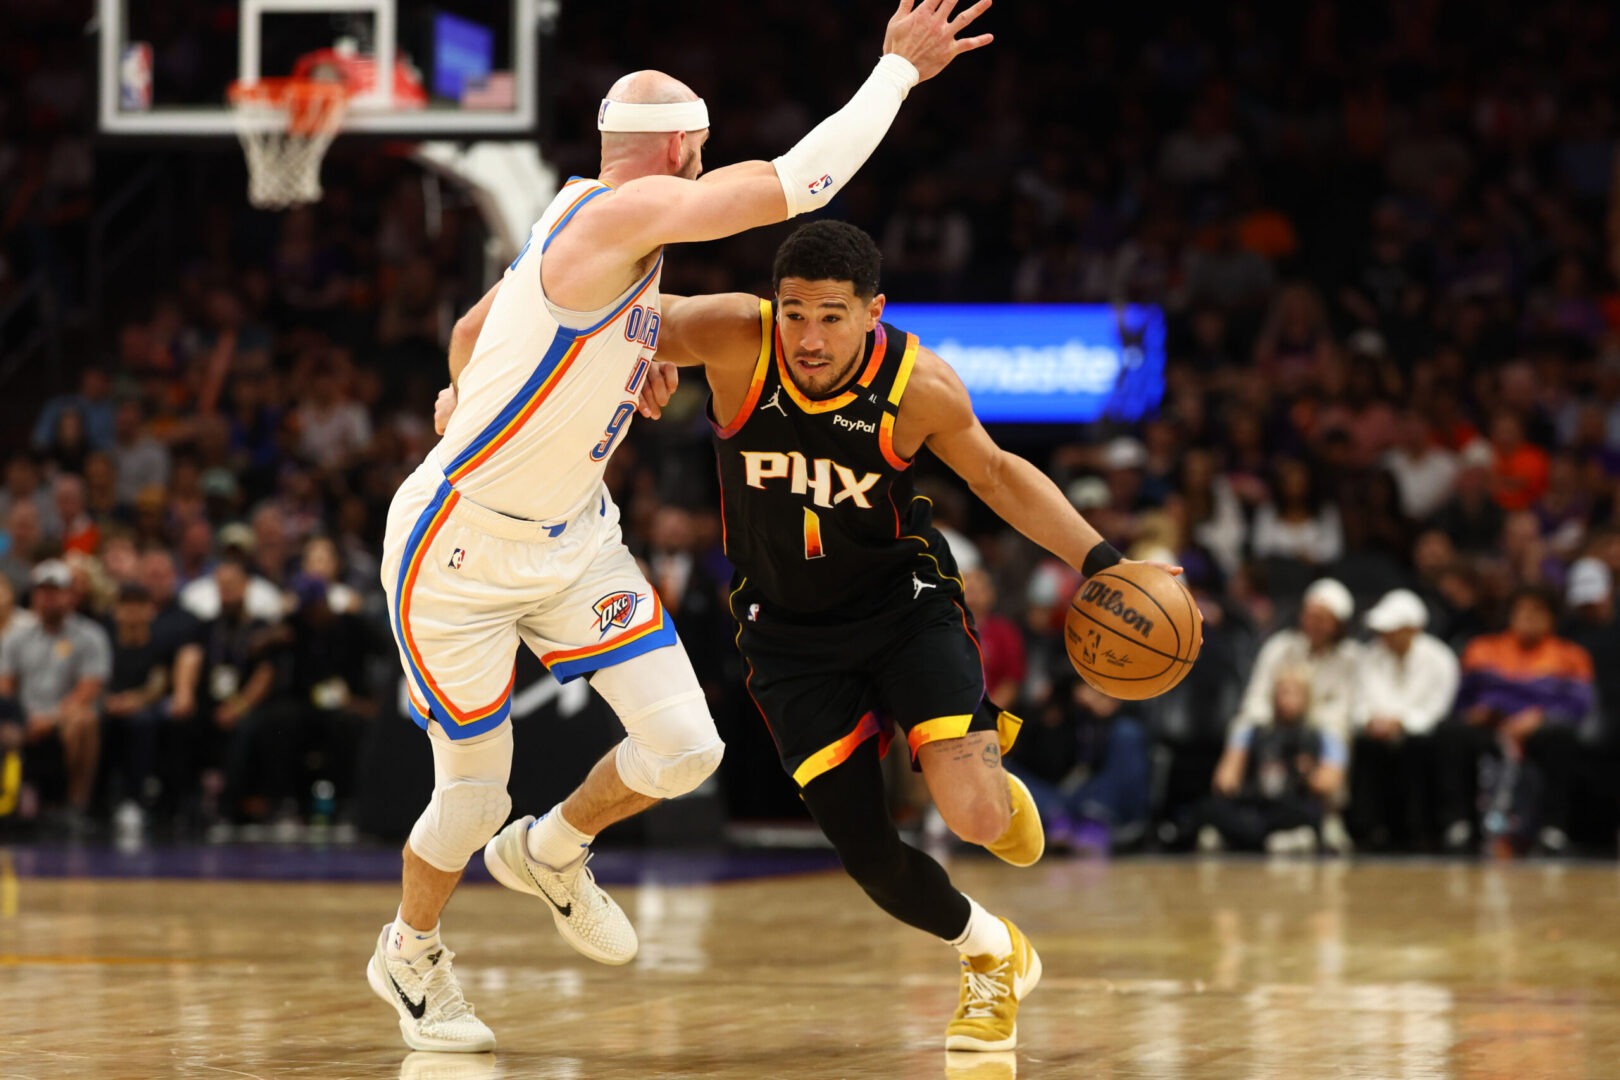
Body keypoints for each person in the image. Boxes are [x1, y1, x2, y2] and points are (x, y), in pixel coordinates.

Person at [379, 1, 995, 1054]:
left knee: (685, 747)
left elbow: (475, 326)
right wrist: (896, 70)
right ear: (682, 151)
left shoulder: (592, 224)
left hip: (572, 537)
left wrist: (541, 374)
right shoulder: (619, 216)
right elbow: (802, 182)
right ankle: (410, 952)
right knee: (472, 797)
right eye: (702, 157)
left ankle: (555, 848)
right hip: (460, 546)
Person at [634, 219, 1178, 1051]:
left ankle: (993, 792)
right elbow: (591, 314)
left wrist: (1104, 562)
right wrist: (614, 359)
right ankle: (992, 952)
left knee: (975, 819)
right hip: (787, 634)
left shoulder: (918, 385)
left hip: (903, 608)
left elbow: (996, 475)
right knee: (870, 858)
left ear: (873, 312)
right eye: (794, 313)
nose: (809, 338)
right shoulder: (734, 336)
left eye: (831, 316)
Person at [1436, 587, 1594, 856]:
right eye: (1522, 610)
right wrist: (1478, 713)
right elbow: (1462, 700)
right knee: (1452, 733)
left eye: (1537, 611)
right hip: (1490, 726)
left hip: (1541, 729)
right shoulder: (1482, 648)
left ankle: (1553, 828)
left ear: (1552, 617)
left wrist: (1541, 716)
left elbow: (1579, 704)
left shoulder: (1571, 655)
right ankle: (1460, 824)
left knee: (1561, 738)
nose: (1528, 617)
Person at [0, 560, 112, 834]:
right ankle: (9, 806)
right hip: (25, 718)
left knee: (83, 720)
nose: (48, 598)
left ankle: (74, 806)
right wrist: (21, 720)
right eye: (42, 591)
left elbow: (89, 688)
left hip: (64, 718)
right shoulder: (16, 636)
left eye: (55, 591)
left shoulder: (90, 635)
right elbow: (5, 687)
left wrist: (50, 719)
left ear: (71, 595)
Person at [1346, 589, 1459, 851]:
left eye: (1393, 629)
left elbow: (1437, 708)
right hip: (1376, 733)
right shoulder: (1370, 656)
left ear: (1413, 629)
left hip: (1422, 736)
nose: (1385, 635)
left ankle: (1421, 829)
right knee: (1365, 748)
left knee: (1425, 747)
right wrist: (1372, 720)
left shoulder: (1440, 658)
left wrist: (1402, 722)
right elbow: (1360, 701)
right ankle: (1368, 830)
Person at [1196, 667, 1346, 852]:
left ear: (1306, 697)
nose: (1285, 700)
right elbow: (1225, 781)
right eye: (1281, 692)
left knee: (1312, 812)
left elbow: (1328, 784)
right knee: (1211, 808)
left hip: (1292, 804)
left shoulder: (1322, 735)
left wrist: (1306, 772)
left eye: (1293, 693)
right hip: (1257, 803)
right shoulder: (1252, 731)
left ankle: (1250, 837)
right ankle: (1257, 836)